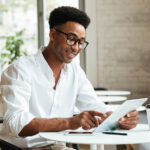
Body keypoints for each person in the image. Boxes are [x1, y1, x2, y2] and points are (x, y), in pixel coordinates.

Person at [0, 6, 139, 149]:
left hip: (56, 146)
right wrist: (70, 122)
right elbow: (15, 123)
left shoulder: (75, 72)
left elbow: (93, 105)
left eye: (81, 42)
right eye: (71, 39)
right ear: (53, 35)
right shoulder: (20, 70)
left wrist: (119, 118)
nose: (76, 47)